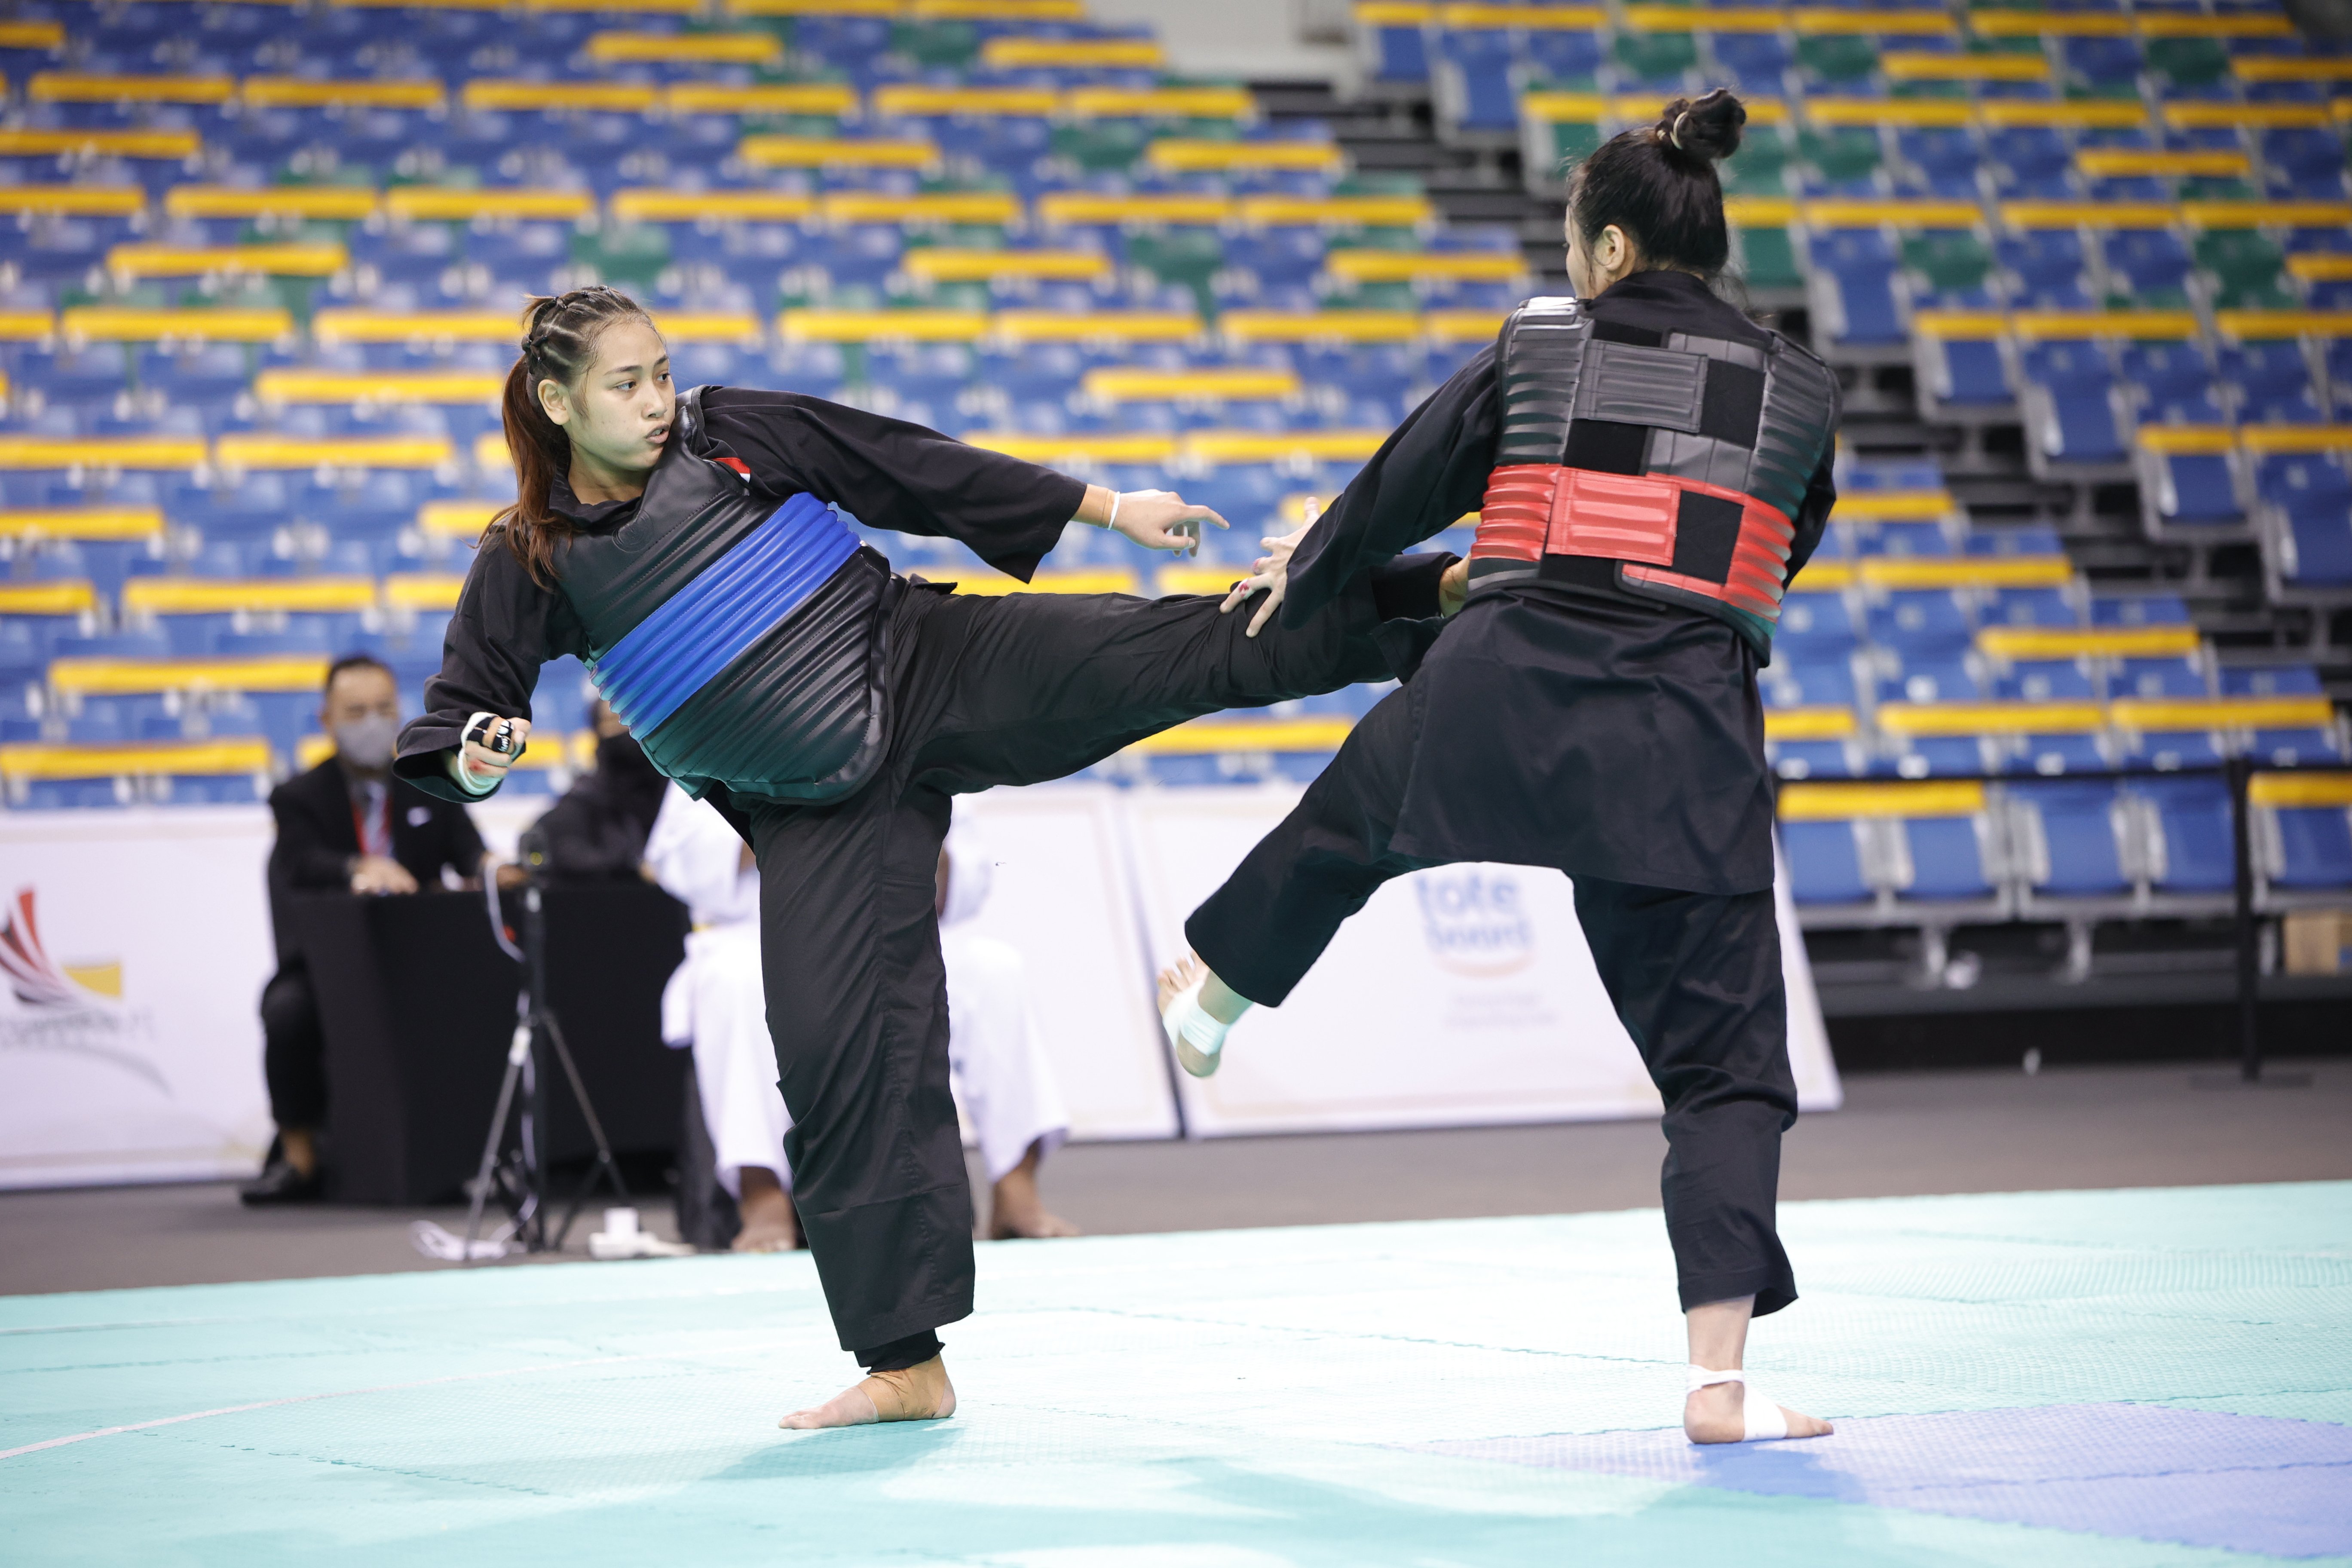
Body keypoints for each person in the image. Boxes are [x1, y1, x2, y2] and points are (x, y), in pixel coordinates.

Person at [391, 285, 1448, 1430]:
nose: (656, 401)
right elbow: (457, 721)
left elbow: (901, 465)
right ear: (554, 402)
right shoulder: (529, 558)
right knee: (838, 1063)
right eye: (624, 383)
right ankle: (906, 1365)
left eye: (659, 372)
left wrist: (1105, 508)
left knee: (1181, 648)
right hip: (816, 814)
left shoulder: (726, 431)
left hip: (932, 666)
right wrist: (480, 759)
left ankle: (1432, 601)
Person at [1154, 92, 1841, 1446]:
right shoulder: (1803, 390)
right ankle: (1718, 1389)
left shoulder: (1541, 345)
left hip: (1498, 683)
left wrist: (1303, 574)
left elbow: (1402, 484)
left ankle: (1216, 988)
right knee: (1725, 1075)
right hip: (1679, 738)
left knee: (1349, 824)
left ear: (1609, 255)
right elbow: (1772, 554)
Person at [647, 789, 1077, 1253]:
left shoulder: (905, 724)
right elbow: (678, 859)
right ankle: (762, 1195)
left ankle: (1016, 1188)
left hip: (888, 928)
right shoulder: (722, 728)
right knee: (736, 982)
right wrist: (796, 810)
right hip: (759, 933)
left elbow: (968, 882)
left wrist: (909, 821)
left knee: (995, 970)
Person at [241, 653, 490, 1205]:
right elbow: (301, 861)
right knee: (286, 1012)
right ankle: (299, 1158)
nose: (372, 723)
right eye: (356, 711)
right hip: (327, 966)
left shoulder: (432, 781)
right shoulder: (298, 798)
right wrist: (358, 867)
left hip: (421, 964)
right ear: (326, 719)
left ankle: (471, 1155)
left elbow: (472, 853)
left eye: (383, 709)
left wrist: (493, 869)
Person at [532, 698, 671, 882]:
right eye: (614, 722)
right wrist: (634, 869)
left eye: (633, 720)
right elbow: (566, 854)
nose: (626, 729)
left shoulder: (682, 791)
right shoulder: (583, 800)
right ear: (597, 730)